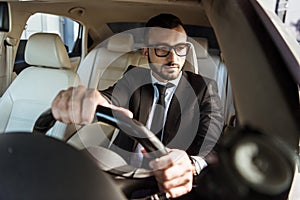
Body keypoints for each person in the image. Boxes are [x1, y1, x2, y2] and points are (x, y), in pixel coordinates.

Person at [52, 13, 224, 198]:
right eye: (161, 49)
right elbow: (110, 98)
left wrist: (190, 165)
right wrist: (92, 100)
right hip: (125, 174)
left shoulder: (204, 88)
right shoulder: (133, 78)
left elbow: (212, 143)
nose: (173, 58)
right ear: (145, 51)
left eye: (180, 48)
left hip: (174, 184)